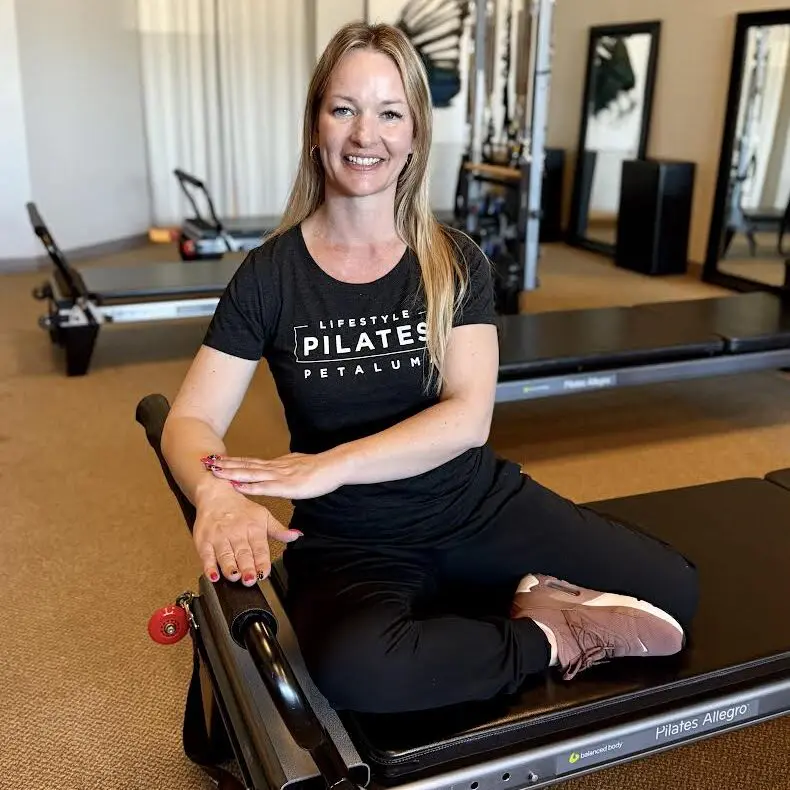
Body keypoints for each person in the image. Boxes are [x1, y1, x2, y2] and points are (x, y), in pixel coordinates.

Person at [161, 21, 699, 715]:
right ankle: (545, 633)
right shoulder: (270, 276)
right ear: (315, 125)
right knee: (361, 672)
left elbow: (468, 418)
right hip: (352, 538)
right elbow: (192, 419)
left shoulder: (454, 260)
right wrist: (217, 496)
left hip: (476, 506)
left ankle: (517, 582)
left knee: (677, 590)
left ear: (415, 135)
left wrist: (328, 465)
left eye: (391, 114)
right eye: (344, 109)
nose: (366, 136)